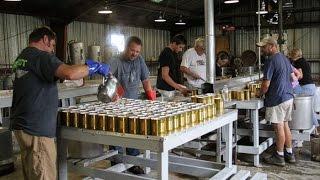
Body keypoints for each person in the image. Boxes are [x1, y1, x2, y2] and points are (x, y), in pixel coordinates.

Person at [10, 26, 109, 180]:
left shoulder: (22, 57)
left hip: (23, 126)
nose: (53, 50)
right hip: (38, 131)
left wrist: (77, 72)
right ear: (45, 40)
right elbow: (70, 73)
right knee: (43, 173)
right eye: (53, 45)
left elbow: (69, 76)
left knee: (32, 171)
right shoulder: (41, 57)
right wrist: (94, 67)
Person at [108, 36, 156, 174]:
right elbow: (108, 79)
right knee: (116, 135)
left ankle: (133, 163)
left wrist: (151, 98)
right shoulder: (115, 61)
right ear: (126, 47)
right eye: (132, 50)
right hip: (116, 106)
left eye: (137, 51)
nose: (134, 54)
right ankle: (116, 165)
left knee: (133, 134)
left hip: (133, 106)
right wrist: (115, 93)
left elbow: (146, 80)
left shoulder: (139, 60)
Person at [257, 37, 296, 166]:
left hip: (277, 98)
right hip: (288, 96)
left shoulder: (271, 60)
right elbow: (293, 77)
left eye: (264, 47)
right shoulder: (285, 59)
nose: (262, 49)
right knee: (285, 125)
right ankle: (289, 153)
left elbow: (266, 84)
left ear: (272, 46)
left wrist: (260, 93)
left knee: (278, 127)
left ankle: (279, 156)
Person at [290, 48, 319, 135]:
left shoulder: (298, 62)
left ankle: (299, 126)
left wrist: (292, 78)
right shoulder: (304, 61)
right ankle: (316, 130)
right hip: (311, 86)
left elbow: (300, 76)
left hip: (305, 88)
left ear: (293, 55)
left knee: (292, 89)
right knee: (310, 109)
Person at [156, 34, 190, 100]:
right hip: (165, 90)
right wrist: (179, 88)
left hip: (170, 88)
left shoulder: (173, 53)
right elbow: (165, 76)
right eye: (180, 47)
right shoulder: (166, 53)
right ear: (174, 43)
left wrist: (179, 86)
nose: (181, 50)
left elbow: (171, 73)